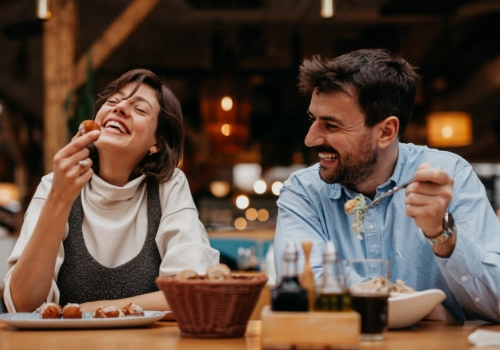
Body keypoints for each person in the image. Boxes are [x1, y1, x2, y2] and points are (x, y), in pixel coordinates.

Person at [274, 49, 500, 323]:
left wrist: (443, 235)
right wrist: (412, 309)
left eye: (331, 125)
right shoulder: (303, 192)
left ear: (385, 132)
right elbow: (305, 289)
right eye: (313, 120)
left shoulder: (451, 175)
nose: (310, 139)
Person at [4, 69, 219, 313]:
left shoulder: (167, 186)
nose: (120, 108)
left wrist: (92, 309)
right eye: (114, 101)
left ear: (156, 143)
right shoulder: (55, 185)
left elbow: (192, 294)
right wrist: (59, 199)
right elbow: (22, 304)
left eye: (140, 109)